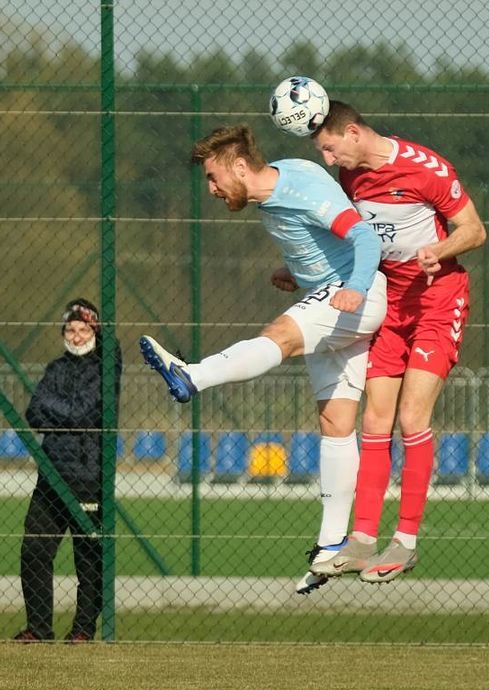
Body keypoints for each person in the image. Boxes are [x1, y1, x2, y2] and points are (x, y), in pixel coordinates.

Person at [138, 124, 386, 595]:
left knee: (280, 335)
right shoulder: (281, 185)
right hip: (333, 295)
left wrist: (353, 288)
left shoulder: (299, 188)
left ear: (238, 166)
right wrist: (296, 271)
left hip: (355, 296)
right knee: (335, 423)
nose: (211, 190)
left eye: (213, 178)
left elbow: (365, 241)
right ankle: (332, 546)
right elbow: (321, 241)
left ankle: (192, 375)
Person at [308, 101, 487, 583]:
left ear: (352, 133)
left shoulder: (426, 168)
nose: (328, 160)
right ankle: (363, 538)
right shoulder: (348, 181)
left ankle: (405, 541)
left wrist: (441, 249)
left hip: (438, 299)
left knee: (412, 416)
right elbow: (355, 242)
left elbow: (475, 230)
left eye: (330, 148)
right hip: (389, 303)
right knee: (375, 416)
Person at [14, 298, 121, 644]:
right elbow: (34, 412)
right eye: (70, 329)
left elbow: (86, 413)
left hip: (90, 477)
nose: (76, 336)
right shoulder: (55, 368)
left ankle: (83, 631)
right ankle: (39, 628)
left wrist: (59, 412)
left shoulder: (105, 368)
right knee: (34, 550)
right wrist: (69, 415)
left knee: (88, 558)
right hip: (51, 474)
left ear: (95, 331)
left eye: (83, 329)